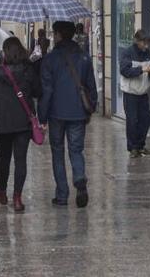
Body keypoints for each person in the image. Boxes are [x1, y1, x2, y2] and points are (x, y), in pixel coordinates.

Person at [39, 21, 97, 208]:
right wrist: (91, 107)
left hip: (56, 113)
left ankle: (62, 194)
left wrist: (42, 116)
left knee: (57, 152)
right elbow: (91, 87)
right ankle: (79, 178)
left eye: (54, 33)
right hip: (78, 112)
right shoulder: (84, 57)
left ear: (58, 35)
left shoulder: (50, 59)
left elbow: (46, 91)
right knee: (76, 149)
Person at [0, 37, 41, 211]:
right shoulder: (28, 71)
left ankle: (2, 191)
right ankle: (17, 198)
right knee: (20, 160)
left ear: (5, 53)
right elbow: (38, 91)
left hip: (2, 123)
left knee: (4, 159)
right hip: (23, 122)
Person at [120, 29, 150, 158]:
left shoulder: (148, 54)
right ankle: (132, 148)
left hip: (142, 92)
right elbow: (124, 71)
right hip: (130, 93)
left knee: (145, 120)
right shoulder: (128, 53)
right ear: (137, 41)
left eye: (148, 43)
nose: (146, 46)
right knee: (132, 121)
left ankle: (141, 145)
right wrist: (141, 70)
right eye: (144, 43)